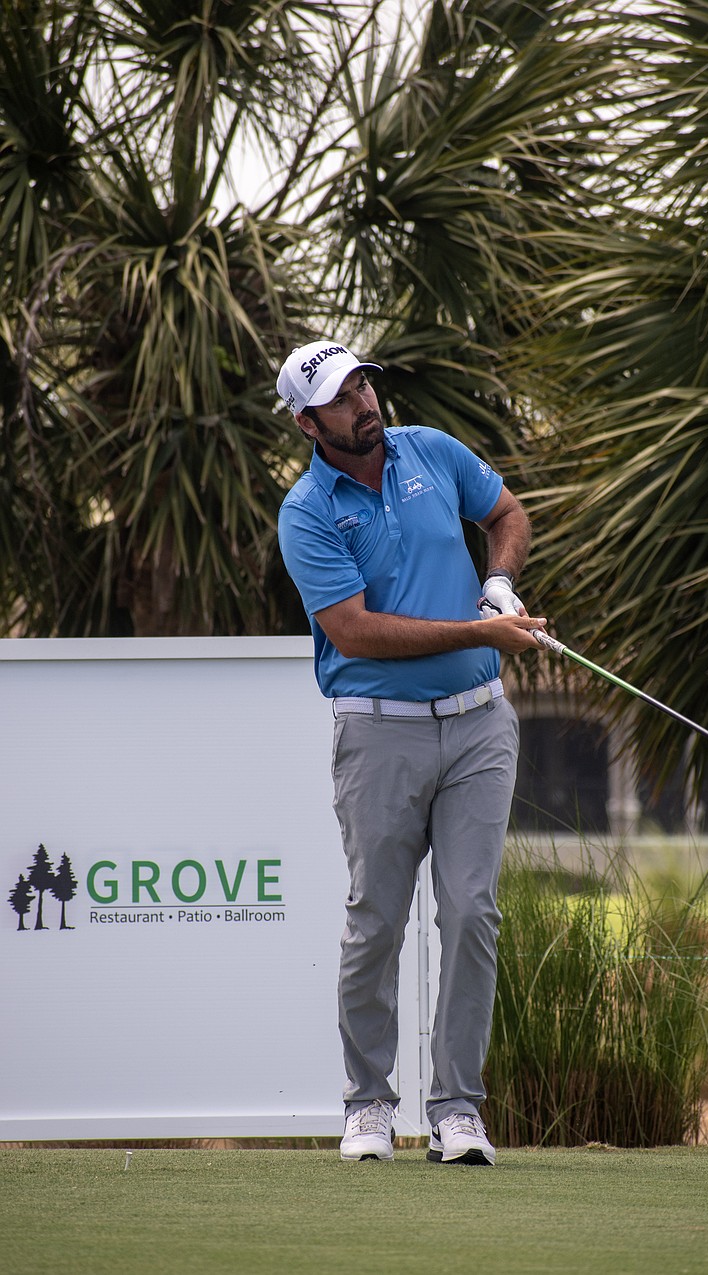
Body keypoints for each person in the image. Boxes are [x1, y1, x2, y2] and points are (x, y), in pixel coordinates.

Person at [276, 338, 545, 1167]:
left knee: (471, 912)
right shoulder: (308, 511)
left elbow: (506, 515)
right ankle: (368, 1104)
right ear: (307, 421)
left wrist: (498, 580)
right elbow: (354, 629)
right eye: (341, 394)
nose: (363, 401)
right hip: (379, 731)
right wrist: (481, 628)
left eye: (363, 382)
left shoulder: (431, 451)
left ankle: (458, 1109)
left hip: (477, 725)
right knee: (376, 921)